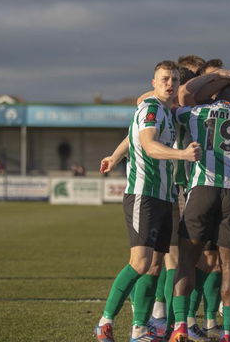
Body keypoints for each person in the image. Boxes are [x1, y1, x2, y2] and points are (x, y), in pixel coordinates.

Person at [93, 60, 201, 342]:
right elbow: (149, 145)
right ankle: (104, 322)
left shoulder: (165, 111)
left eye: (174, 80)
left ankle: (140, 329)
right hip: (145, 194)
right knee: (140, 262)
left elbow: (133, 138)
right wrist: (182, 155)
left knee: (154, 265)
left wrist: (115, 156)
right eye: (165, 79)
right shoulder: (151, 108)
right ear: (153, 82)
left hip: (164, 196)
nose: (170, 84)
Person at [171, 84, 230, 342]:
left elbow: (177, 105)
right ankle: (228, 333)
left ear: (215, 96)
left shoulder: (196, 112)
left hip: (203, 188)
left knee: (186, 261)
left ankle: (181, 325)